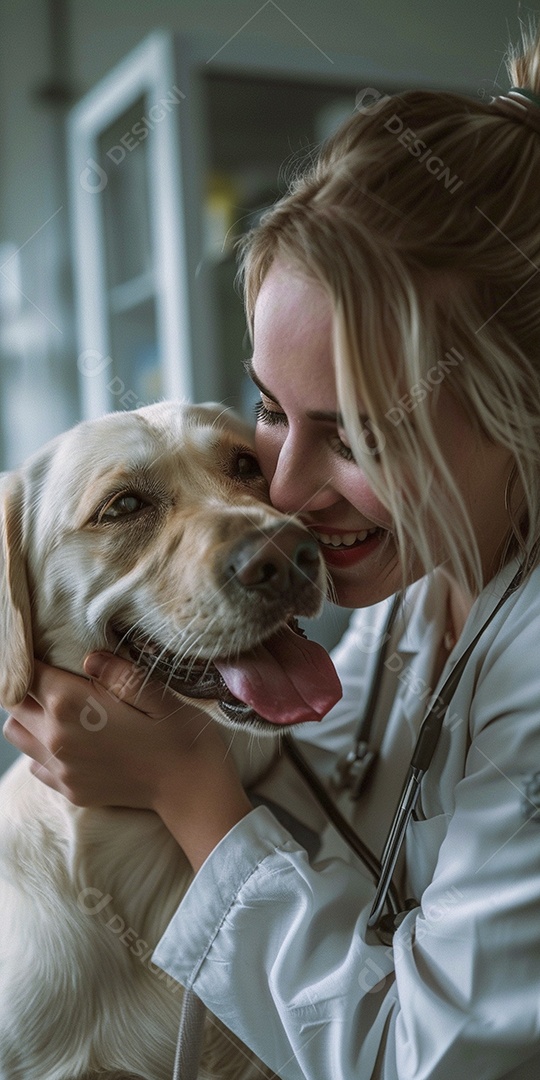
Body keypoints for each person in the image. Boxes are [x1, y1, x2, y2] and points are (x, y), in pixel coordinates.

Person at [5, 22, 540, 1080]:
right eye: (268, 417)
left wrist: (187, 786)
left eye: (361, 436)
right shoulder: (406, 602)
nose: (283, 500)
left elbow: (420, 1063)